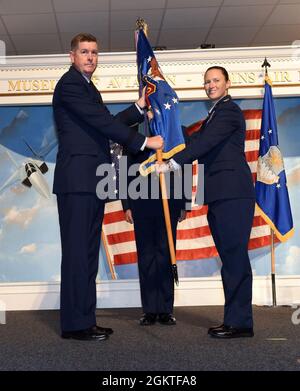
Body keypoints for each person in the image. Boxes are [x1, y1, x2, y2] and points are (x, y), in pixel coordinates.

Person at [52, 33, 163, 341]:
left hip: (91, 181)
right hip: (77, 182)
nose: (90, 57)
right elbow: (103, 124)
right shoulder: (70, 84)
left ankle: (84, 321)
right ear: (72, 56)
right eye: (84, 52)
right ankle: (75, 325)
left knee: (87, 254)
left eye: (95, 53)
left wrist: (139, 107)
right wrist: (143, 140)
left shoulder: (88, 88)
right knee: (78, 254)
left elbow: (105, 120)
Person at [156, 66, 255, 338]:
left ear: (227, 84)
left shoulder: (229, 112)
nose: (210, 85)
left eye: (215, 81)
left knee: (234, 259)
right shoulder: (213, 115)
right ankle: (234, 320)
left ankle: (240, 323)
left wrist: (174, 163)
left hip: (233, 194)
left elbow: (205, 143)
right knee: (229, 259)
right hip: (220, 196)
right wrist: (163, 128)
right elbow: (194, 139)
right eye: (207, 82)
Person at [121, 129, 187, 326]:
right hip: (141, 204)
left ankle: (166, 310)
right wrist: (126, 205)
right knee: (147, 257)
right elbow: (125, 171)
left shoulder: (176, 130)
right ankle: (149, 310)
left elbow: (183, 167)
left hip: (170, 202)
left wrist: (184, 203)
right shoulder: (134, 135)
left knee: (166, 256)